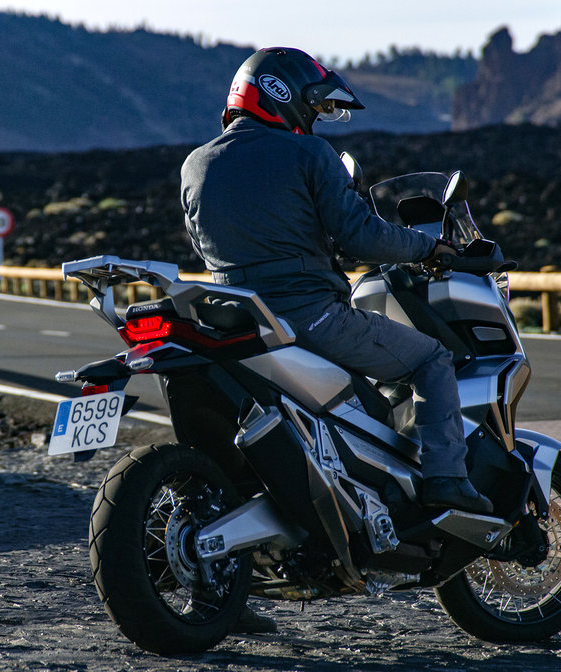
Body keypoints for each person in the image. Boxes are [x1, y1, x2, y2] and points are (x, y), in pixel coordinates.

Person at [181, 44, 493, 635]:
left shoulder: (196, 163)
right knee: (429, 357)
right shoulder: (308, 153)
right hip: (310, 317)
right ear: (283, 97)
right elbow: (359, 234)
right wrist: (429, 248)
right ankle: (445, 481)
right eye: (312, 105)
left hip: (234, 321)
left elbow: (205, 240)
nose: (315, 117)